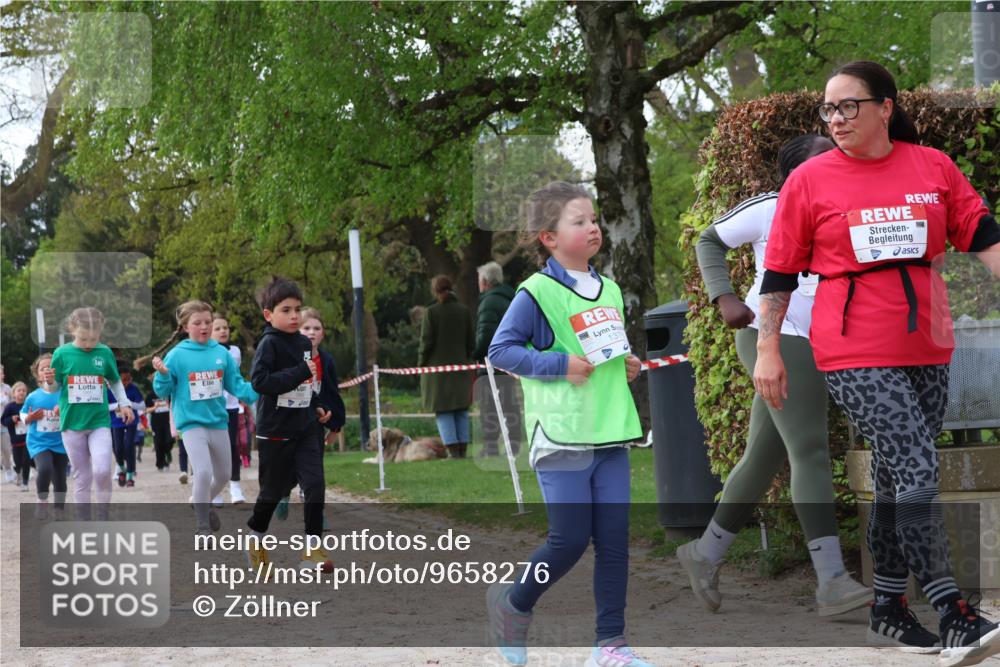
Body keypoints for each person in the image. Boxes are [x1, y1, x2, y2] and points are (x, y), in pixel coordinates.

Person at [754, 61, 1000, 664]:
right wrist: (767, 349)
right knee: (916, 469)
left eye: (849, 107)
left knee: (894, 479)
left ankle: (888, 609)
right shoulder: (809, 181)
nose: (836, 119)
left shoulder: (932, 167)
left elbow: (985, 237)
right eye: (828, 110)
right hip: (852, 348)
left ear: (884, 108)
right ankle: (953, 610)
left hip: (926, 343)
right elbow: (779, 274)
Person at [680, 135, 871, 617]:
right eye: (823, 161)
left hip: (822, 340)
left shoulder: (849, 208)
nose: (836, 166)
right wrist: (723, 297)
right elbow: (709, 239)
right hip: (775, 335)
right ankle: (831, 581)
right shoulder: (772, 205)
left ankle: (705, 554)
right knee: (809, 447)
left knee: (764, 456)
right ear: (793, 173)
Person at [487, 182, 650, 667]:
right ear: (549, 237)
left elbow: (605, 351)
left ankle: (611, 646)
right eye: (578, 221)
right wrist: (559, 364)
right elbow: (501, 351)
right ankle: (513, 605)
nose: (593, 227)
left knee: (616, 542)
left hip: (611, 431)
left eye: (593, 219)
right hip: (560, 433)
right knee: (569, 541)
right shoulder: (536, 292)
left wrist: (628, 364)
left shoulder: (613, 289)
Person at [137, 301, 258, 535]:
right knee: (202, 472)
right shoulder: (177, 355)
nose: (204, 327)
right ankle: (202, 526)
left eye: (208, 322)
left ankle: (199, 501)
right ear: (185, 327)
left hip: (217, 421)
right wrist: (162, 375)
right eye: (197, 323)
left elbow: (237, 386)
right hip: (191, 423)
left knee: (223, 474)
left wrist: (261, 387)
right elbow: (163, 391)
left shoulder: (221, 353)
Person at [244, 277, 333, 572]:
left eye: (297, 309)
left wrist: (317, 404)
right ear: (269, 315)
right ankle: (256, 537)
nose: (294, 316)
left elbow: (307, 383)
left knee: (315, 485)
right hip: (276, 430)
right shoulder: (269, 344)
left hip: (306, 426)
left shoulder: (303, 342)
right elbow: (260, 382)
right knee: (272, 492)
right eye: (286, 310)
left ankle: (312, 549)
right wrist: (297, 373)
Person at [42, 307, 134, 519]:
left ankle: (103, 516)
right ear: (72, 330)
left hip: (99, 421)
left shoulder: (104, 352)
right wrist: (49, 381)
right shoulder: (62, 354)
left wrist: (125, 403)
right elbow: (54, 388)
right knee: (82, 475)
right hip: (72, 424)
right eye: (84, 338)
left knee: (102, 470)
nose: (88, 344)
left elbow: (114, 380)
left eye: (94, 338)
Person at [275, 307, 345, 524]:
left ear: (323, 333)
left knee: (314, 470)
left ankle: (316, 512)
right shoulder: (288, 357)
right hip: (289, 420)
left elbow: (333, 394)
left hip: (315, 422)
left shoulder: (327, 361)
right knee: (289, 467)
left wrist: (335, 425)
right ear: (297, 330)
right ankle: (284, 493)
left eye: (316, 328)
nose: (312, 332)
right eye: (306, 328)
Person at [419, 274, 475, 458]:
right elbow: (471, 343)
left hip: (437, 372)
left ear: (434, 291)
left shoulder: (431, 313)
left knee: (443, 411)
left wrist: (421, 365)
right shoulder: (464, 311)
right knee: (461, 409)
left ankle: (452, 451)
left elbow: (426, 343)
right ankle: (462, 450)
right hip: (461, 370)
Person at [472, 261, 523, 457]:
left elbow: (485, 335)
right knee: (511, 405)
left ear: (485, 281)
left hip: (491, 364)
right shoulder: (512, 298)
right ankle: (515, 444)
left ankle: (491, 446)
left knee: (489, 407)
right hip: (511, 362)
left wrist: (476, 353)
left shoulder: (488, 302)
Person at [21, 354, 68, 518]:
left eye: (50, 368)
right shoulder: (33, 396)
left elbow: (74, 411)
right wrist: (29, 418)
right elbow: (23, 414)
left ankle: (59, 510)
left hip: (62, 442)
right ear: (38, 374)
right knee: (45, 468)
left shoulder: (64, 393)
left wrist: (64, 411)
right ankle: (42, 501)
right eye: (43, 368)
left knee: (60, 478)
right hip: (38, 442)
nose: (47, 371)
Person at [211, 314, 247, 504]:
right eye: (218, 328)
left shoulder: (235, 351)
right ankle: (215, 490)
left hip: (231, 407)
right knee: (214, 450)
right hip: (211, 408)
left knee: (232, 447)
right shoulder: (205, 352)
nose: (223, 331)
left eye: (225, 327)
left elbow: (235, 377)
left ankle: (235, 487)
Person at [108, 362, 144, 488]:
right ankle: (122, 469)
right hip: (115, 423)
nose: (126, 382)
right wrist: (117, 407)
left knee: (129, 447)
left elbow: (142, 405)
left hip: (131, 422)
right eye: (124, 380)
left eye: (129, 379)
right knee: (117, 449)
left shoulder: (133, 388)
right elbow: (104, 406)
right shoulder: (110, 389)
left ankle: (130, 476)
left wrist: (128, 404)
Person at [1, 381, 30, 488]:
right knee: (18, 462)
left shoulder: (29, 405)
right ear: (13, 393)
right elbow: (3, 420)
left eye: (24, 391)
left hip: (28, 438)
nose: (21, 393)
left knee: (26, 460)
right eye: (19, 390)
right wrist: (11, 420)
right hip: (15, 439)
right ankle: (18, 473)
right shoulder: (10, 407)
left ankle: (25, 482)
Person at [144, 377, 174, 471]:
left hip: (168, 422)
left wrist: (169, 405)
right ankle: (160, 463)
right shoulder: (150, 395)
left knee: (169, 440)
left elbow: (174, 405)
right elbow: (145, 410)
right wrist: (154, 407)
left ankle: (167, 452)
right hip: (156, 423)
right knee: (158, 443)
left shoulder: (168, 394)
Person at [0, 364, 14, 483]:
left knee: (6, 449)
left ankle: (8, 470)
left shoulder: (7, 388)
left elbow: (13, 402)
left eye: (2, 373)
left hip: (4, 424)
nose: (2, 375)